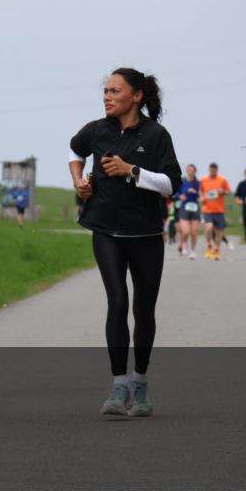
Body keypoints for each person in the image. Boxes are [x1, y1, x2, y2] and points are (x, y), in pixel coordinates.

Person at [69, 67, 181, 418]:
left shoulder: (157, 134)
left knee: (142, 309)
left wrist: (131, 171)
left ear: (136, 96)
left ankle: (140, 381)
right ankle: (118, 385)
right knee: (117, 302)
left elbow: (171, 184)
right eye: (105, 91)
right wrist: (78, 182)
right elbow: (75, 152)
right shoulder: (96, 130)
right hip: (105, 230)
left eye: (115, 91)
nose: (107, 96)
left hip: (146, 234)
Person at [200, 162, 232, 260]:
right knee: (209, 228)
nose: (212, 171)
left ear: (217, 170)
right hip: (207, 209)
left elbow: (229, 191)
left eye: (214, 170)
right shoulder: (203, 180)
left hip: (219, 210)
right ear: (209, 170)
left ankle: (217, 249)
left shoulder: (222, 180)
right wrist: (202, 198)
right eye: (211, 170)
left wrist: (223, 191)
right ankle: (209, 246)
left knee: (219, 231)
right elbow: (200, 193)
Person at [175, 163, 202, 259]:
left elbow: (201, 195)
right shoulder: (182, 181)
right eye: (188, 169)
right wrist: (180, 196)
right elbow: (175, 193)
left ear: (195, 171)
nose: (190, 171)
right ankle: (184, 243)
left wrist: (196, 193)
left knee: (194, 232)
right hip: (184, 208)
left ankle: (192, 251)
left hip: (195, 208)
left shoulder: (198, 183)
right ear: (186, 171)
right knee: (185, 231)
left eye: (192, 170)